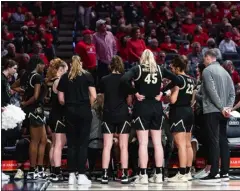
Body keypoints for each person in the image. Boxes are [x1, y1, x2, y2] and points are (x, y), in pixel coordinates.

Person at [120, 49, 183, 184]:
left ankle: (143, 175)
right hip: (157, 108)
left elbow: (124, 79)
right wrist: (163, 92)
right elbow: (178, 80)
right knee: (157, 143)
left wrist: (134, 92)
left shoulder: (138, 69)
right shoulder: (160, 69)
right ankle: (159, 175)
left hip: (142, 107)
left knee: (142, 143)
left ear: (142, 58)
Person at [57, 55, 96, 185]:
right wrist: (87, 105)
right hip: (84, 111)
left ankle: (71, 175)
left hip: (69, 112)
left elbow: (61, 99)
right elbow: (94, 96)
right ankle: (82, 175)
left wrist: (69, 103)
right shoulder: (87, 75)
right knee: (83, 143)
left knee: (72, 144)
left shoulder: (64, 77)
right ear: (81, 63)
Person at [200, 50, 235, 183]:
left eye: (204, 58)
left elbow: (211, 91)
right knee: (223, 140)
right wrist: (228, 108)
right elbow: (232, 92)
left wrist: (221, 107)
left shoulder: (207, 71)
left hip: (212, 110)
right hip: (224, 111)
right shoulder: (225, 71)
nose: (203, 61)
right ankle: (225, 172)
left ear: (209, 58)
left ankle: (214, 173)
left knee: (214, 141)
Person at [12, 56, 48, 180]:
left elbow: (13, 86)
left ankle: (39, 168)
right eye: (43, 64)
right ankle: (33, 169)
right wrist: (25, 102)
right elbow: (36, 96)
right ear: (38, 64)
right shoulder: (37, 76)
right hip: (34, 111)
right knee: (35, 140)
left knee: (43, 140)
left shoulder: (26, 75)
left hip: (31, 111)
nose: (44, 67)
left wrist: (23, 93)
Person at [98, 56, 132, 184]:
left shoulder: (104, 79)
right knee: (123, 146)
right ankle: (124, 174)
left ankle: (105, 175)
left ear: (110, 66)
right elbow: (129, 101)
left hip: (108, 114)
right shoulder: (125, 80)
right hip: (123, 114)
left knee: (107, 146)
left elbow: (101, 98)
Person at [166, 56, 195, 182]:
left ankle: (181, 173)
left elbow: (172, 100)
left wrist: (166, 97)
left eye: (172, 66)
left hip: (179, 112)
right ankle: (188, 172)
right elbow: (193, 99)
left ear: (178, 67)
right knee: (188, 144)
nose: (171, 68)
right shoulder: (191, 79)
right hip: (189, 111)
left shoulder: (178, 80)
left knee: (180, 144)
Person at [45, 58, 68, 182]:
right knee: (59, 144)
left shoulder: (52, 80)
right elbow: (62, 100)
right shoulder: (59, 81)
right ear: (61, 69)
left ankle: (53, 170)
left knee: (54, 144)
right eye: (66, 70)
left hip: (53, 115)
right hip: (59, 116)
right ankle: (57, 172)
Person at [1, 59, 18, 181]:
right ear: (9, 67)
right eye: (15, 68)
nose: (16, 71)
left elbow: (6, 94)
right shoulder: (1, 79)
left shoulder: (5, 80)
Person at [93, 19, 117, 85]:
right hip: (102, 62)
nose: (104, 25)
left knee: (112, 78)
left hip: (112, 60)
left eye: (105, 24)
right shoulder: (95, 36)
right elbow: (94, 49)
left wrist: (114, 56)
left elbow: (114, 46)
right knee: (103, 79)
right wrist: (98, 59)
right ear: (98, 27)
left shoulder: (110, 34)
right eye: (102, 25)